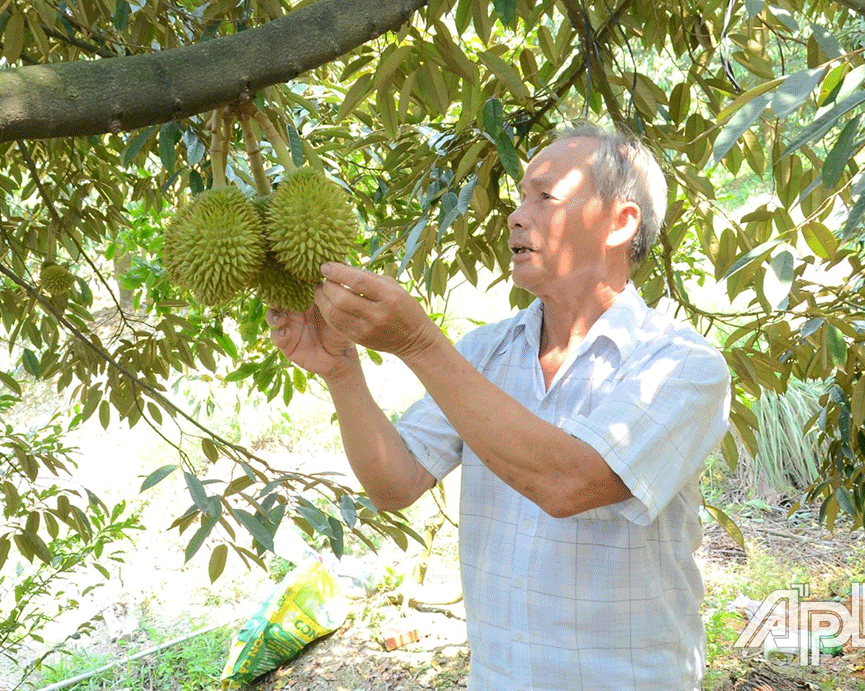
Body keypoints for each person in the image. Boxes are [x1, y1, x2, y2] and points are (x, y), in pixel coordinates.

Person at [266, 123, 731, 691]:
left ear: (620, 222)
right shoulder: (484, 353)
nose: (515, 215)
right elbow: (394, 485)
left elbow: (569, 482)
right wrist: (342, 369)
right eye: (518, 197)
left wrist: (417, 343)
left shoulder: (682, 365)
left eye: (545, 196)